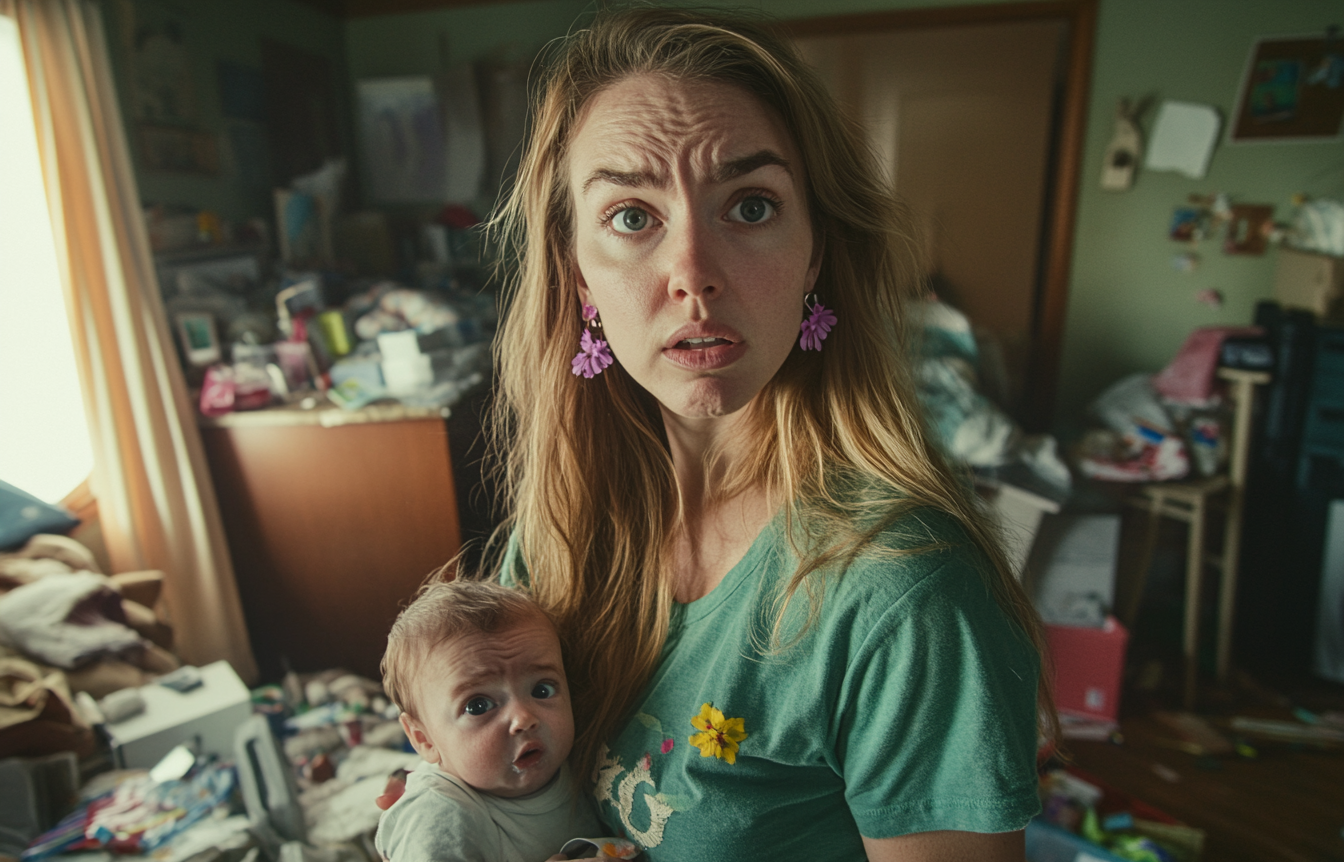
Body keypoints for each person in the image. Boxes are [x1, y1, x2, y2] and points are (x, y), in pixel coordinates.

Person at [488, 7, 1055, 860]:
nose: (693, 277)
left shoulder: (907, 598)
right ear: (579, 277)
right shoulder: (563, 526)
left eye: (750, 206)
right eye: (633, 217)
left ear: (815, 252)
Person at [375, 579, 635, 862]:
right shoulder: (440, 814)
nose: (524, 718)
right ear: (424, 739)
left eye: (542, 690)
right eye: (478, 705)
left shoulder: (579, 761)